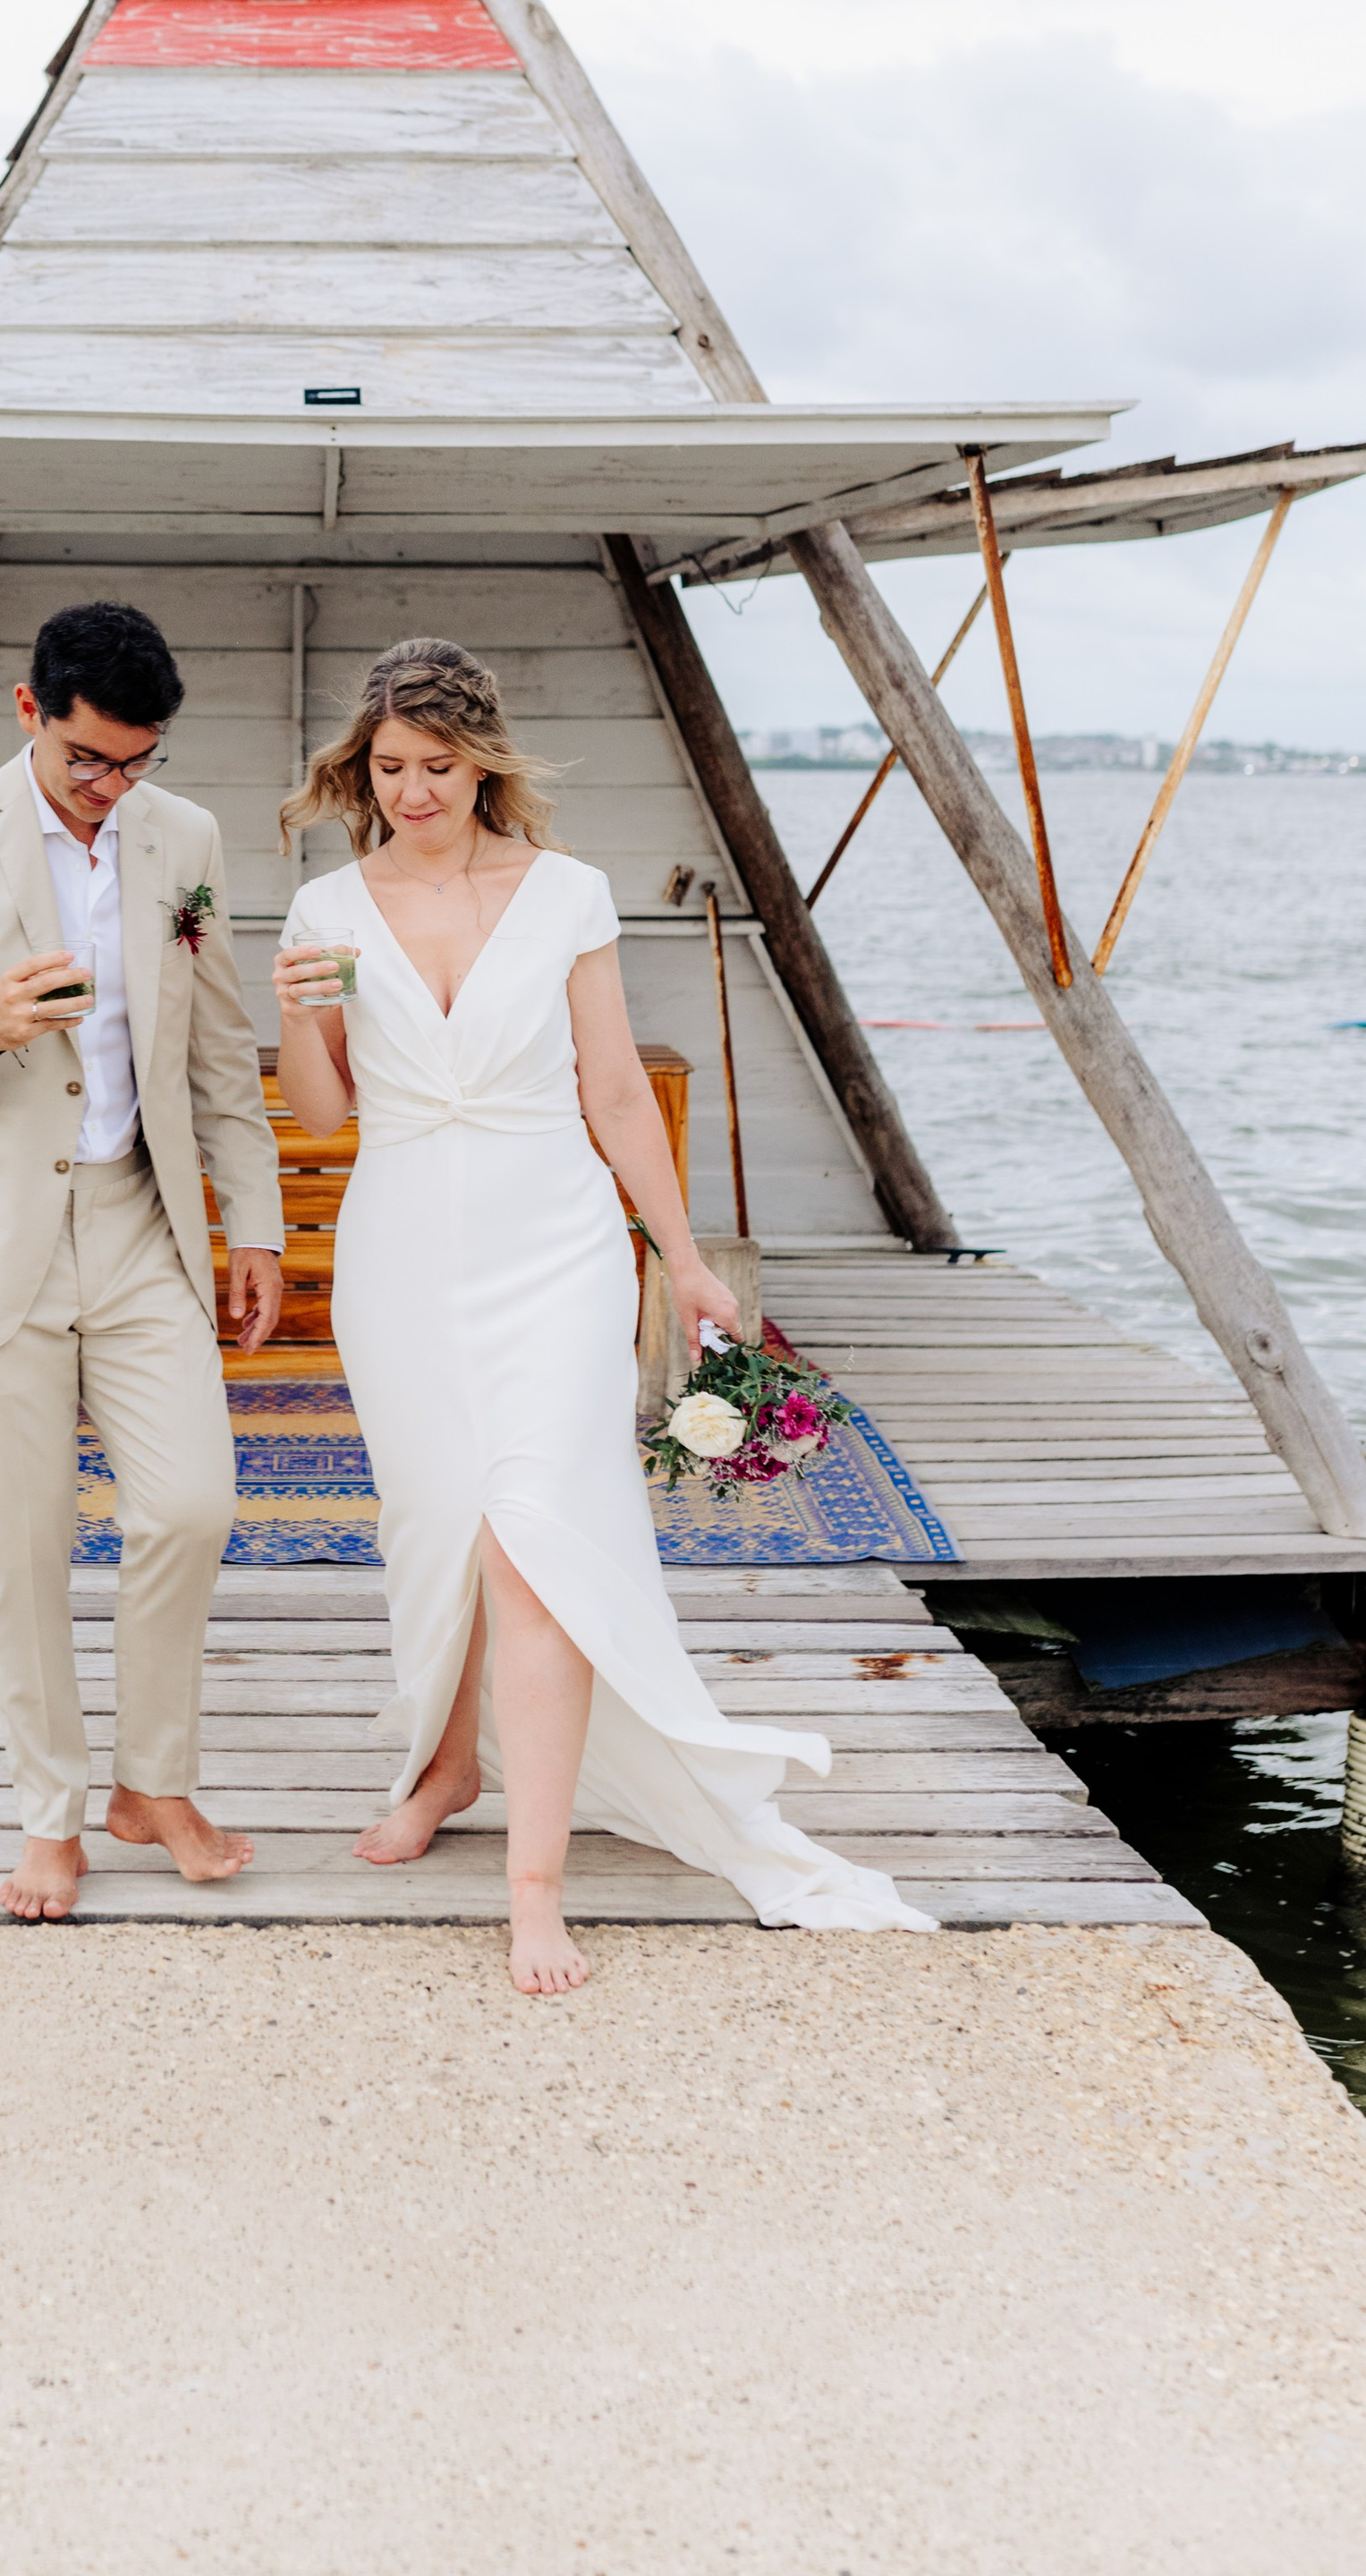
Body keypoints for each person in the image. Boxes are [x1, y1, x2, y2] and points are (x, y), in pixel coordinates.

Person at [272, 637, 933, 1994]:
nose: (410, 791)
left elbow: (618, 1091)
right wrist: (295, 1020)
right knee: (439, 1533)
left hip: (553, 1248)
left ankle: (535, 1886)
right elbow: (326, 1115)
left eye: (436, 768)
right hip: (398, 1251)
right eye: (389, 768)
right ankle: (445, 1764)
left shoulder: (567, 893)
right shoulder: (325, 910)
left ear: (484, 763)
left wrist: (682, 1262)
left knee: (537, 1547)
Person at [0, 599, 285, 1922]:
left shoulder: (185, 840)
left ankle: (155, 1785)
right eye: (93, 761)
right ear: (30, 713)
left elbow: (215, 1047)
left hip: (145, 1222)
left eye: (138, 763)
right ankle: (52, 1814)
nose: (115, 790)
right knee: (21, 1544)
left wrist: (250, 1219)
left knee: (193, 1506)